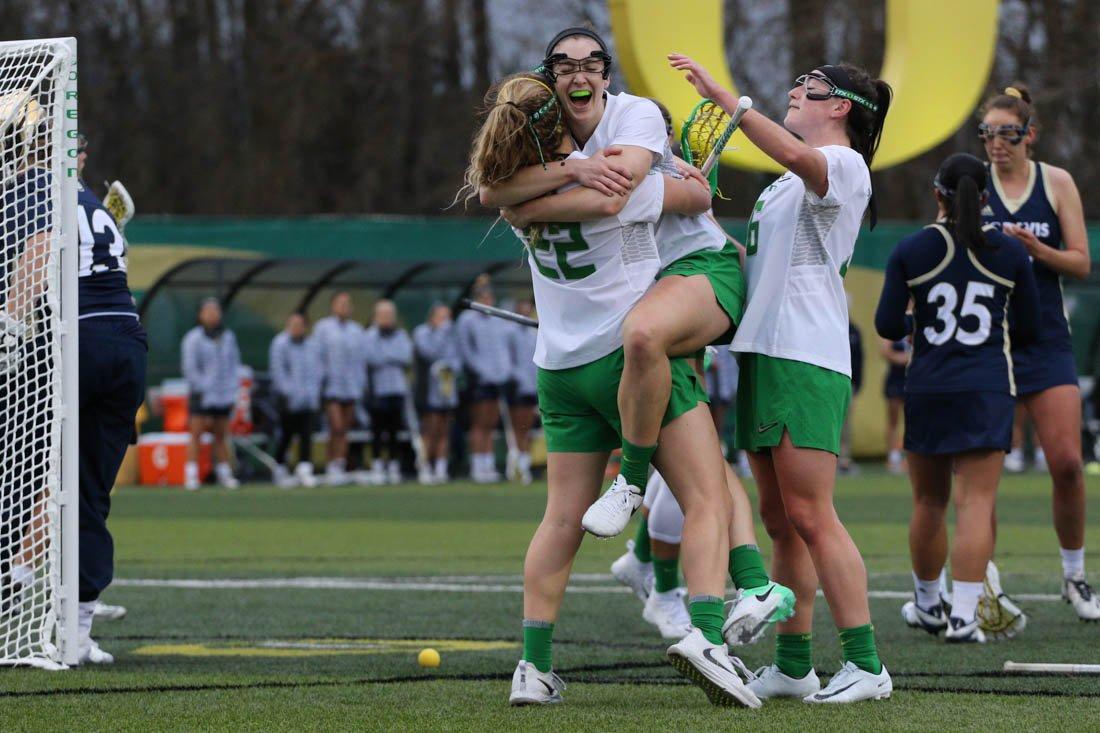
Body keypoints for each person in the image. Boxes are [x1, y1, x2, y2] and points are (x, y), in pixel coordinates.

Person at [468, 62, 770, 708]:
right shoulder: (613, 183)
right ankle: (710, 635)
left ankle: (533, 665)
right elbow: (691, 200)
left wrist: (567, 170)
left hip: (558, 370)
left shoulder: (513, 196)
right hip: (627, 366)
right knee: (707, 495)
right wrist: (685, 177)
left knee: (557, 520)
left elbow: (495, 192)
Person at [669, 53, 894, 702]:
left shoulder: (843, 164)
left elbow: (801, 160)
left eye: (809, 87)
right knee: (780, 517)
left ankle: (866, 662)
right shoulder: (780, 188)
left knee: (812, 513)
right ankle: (795, 664)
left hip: (805, 354)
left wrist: (732, 104)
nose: (795, 90)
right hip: (764, 354)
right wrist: (698, 214)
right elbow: (755, 263)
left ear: (840, 107)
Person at [875, 152, 1040, 642]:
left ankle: (929, 606)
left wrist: (917, 321)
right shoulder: (1010, 253)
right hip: (987, 387)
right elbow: (1029, 329)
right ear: (987, 198)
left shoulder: (913, 249)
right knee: (975, 502)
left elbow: (888, 325)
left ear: (937, 195)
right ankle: (964, 617)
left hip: (928, 386)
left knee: (928, 500)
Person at [978, 84, 1098, 621]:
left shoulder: (1056, 182)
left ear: (1029, 134)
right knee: (985, 472)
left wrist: (1035, 249)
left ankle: (1075, 577)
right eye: (988, 134)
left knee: (1069, 464)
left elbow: (1080, 263)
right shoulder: (973, 185)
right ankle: (984, 582)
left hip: (1046, 339)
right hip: (986, 343)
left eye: (1007, 133)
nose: (997, 144)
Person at [455, 278, 512, 483]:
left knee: (491, 422)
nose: (487, 298)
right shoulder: (467, 319)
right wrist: (482, 370)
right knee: (478, 423)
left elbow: (503, 350)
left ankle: (488, 465)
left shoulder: (497, 319)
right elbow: (466, 350)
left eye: (489, 295)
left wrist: (503, 372)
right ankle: (477, 465)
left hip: (497, 378)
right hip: (478, 378)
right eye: (482, 295)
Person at [181, 298, 240, 491]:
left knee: (222, 434)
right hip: (202, 395)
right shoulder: (193, 338)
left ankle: (224, 472)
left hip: (223, 395)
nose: (213, 315)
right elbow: (190, 368)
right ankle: (191, 474)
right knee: (196, 434)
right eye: (208, 311)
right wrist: (203, 388)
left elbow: (233, 365)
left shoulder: (228, 337)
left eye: (216, 311)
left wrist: (231, 391)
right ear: (200, 315)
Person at [313, 292, 367, 486]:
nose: (344, 307)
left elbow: (361, 361)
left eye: (347, 304)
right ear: (333, 306)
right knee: (334, 426)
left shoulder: (357, 330)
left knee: (344, 428)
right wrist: (319, 382)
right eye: (340, 304)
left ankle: (340, 463)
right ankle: (331, 464)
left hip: (351, 386)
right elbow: (318, 357)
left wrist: (361, 384)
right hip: (331, 386)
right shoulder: (323, 328)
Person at [269, 312, 322, 488]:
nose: (297, 328)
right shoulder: (280, 344)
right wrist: (290, 393)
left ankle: (305, 468)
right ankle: (279, 467)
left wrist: (312, 394)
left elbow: (317, 371)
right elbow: (278, 372)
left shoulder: (312, 345)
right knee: (286, 434)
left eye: (300, 324)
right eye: (293, 324)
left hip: (308, 399)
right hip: (287, 399)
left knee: (307, 433)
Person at [362, 299, 413, 485]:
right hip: (377, 390)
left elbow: (405, 356)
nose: (387, 318)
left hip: (397, 388)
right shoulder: (369, 335)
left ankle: (393, 463)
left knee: (395, 429)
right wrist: (391, 356)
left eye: (389, 315)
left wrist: (388, 356)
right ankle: (377, 464)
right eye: (383, 315)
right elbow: (371, 357)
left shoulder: (400, 334)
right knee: (377, 429)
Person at [412, 303, 460, 484]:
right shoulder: (422, 332)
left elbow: (458, 358)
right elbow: (430, 351)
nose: (446, 321)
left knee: (444, 429)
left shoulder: (452, 335)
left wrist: (451, 366)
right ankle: (425, 466)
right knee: (430, 429)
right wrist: (441, 332)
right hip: (428, 389)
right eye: (442, 317)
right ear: (432, 317)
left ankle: (441, 467)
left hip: (447, 389)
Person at [505, 298, 539, 485]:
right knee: (517, 428)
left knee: (528, 428)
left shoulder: (533, 332)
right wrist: (517, 378)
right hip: (516, 386)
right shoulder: (510, 332)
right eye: (522, 305)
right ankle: (515, 466)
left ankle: (524, 466)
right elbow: (507, 360)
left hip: (531, 387)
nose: (525, 308)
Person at [881, 334, 910, 473]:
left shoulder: (917, 323)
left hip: (912, 378)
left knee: (912, 421)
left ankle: (909, 457)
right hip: (895, 378)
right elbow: (885, 351)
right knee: (893, 420)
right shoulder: (895, 327)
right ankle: (893, 456)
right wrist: (902, 358)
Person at [839, 318, 864, 475]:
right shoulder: (827, 323)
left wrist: (857, 383)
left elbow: (859, 358)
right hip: (827, 380)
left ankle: (844, 460)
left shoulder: (853, 330)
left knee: (845, 424)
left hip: (848, 382)